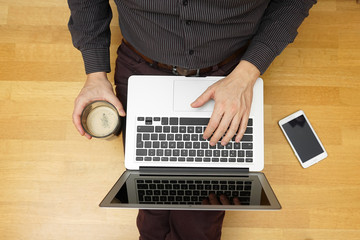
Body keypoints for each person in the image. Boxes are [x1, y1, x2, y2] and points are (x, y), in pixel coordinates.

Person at [67, 0, 316, 239]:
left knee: (201, 217)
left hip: (230, 73)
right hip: (142, 65)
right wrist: (95, 74)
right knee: (151, 197)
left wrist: (247, 74)